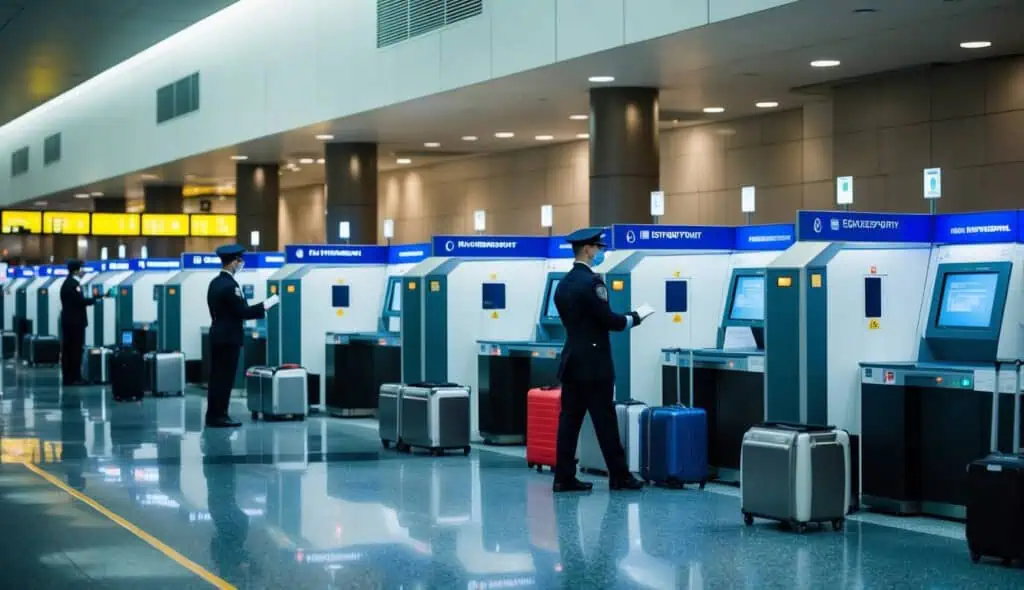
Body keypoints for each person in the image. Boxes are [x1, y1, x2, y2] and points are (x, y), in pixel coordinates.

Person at [552, 227, 646, 493]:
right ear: (588, 249)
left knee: (569, 423)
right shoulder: (592, 283)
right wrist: (635, 318)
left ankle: (563, 478)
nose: (601, 252)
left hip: (572, 362)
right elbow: (609, 321)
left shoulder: (564, 284)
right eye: (599, 247)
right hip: (595, 366)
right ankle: (620, 476)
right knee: (605, 422)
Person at [206, 244, 279, 428]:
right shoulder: (230, 286)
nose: (241, 263)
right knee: (225, 378)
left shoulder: (215, 283)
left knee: (216, 378)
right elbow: (243, 312)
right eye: (239, 260)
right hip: (228, 338)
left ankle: (214, 414)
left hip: (217, 335)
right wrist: (267, 304)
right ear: (233, 262)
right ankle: (220, 416)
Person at [59, 259, 107, 386]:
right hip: (75, 323)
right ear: (76, 270)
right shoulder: (73, 285)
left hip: (69, 321)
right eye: (81, 268)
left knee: (69, 350)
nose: (83, 271)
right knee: (75, 350)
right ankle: (75, 377)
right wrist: (97, 299)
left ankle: (69, 377)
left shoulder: (67, 283)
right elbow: (80, 302)